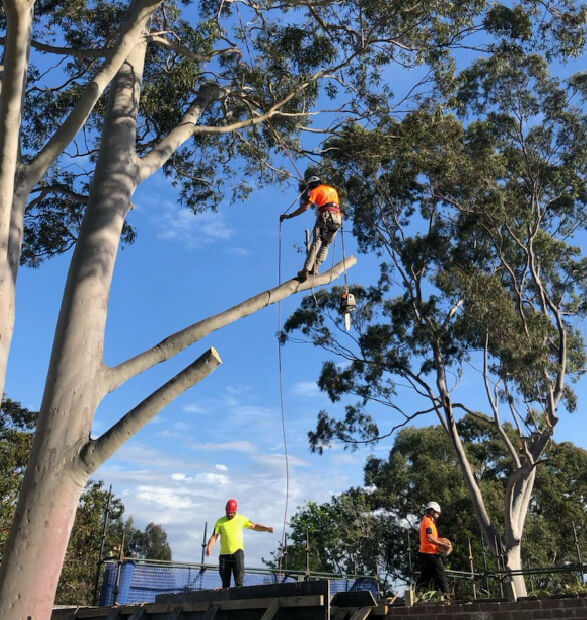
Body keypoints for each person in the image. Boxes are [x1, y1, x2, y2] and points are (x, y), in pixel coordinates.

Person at [280, 176, 342, 281]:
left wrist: (289, 216)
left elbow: (305, 207)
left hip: (326, 215)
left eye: (309, 187)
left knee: (317, 242)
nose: (309, 189)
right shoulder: (332, 190)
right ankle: (315, 267)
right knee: (326, 244)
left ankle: (306, 269)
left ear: (312, 184)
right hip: (338, 218)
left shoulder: (316, 191)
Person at [206, 498, 274, 588]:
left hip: (237, 553)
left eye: (232, 512)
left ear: (235, 511)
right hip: (224, 555)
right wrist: (209, 547)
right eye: (228, 512)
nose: (230, 514)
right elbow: (214, 536)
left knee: (239, 582)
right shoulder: (220, 522)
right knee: (225, 584)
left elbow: (254, 526)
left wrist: (266, 528)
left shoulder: (241, 518)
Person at [416, 501, 451, 596]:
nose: (438, 515)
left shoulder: (427, 522)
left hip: (424, 553)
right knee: (440, 574)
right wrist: (444, 545)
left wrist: (439, 542)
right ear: (432, 511)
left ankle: (416, 594)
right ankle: (447, 595)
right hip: (430, 553)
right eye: (437, 513)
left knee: (425, 577)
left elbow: (423, 538)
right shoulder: (427, 522)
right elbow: (430, 538)